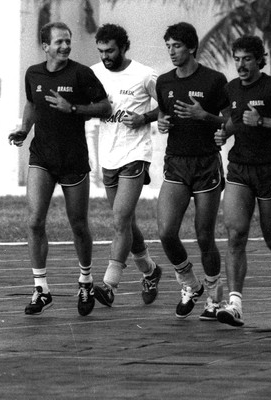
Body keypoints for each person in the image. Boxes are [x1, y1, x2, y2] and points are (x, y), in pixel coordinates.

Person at [8, 21, 111, 317]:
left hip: (73, 160)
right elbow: (32, 103)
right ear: (45, 47)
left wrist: (74, 109)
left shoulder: (81, 73)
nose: (65, 46)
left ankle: (86, 281)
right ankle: (41, 289)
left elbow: (105, 107)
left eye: (68, 41)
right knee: (34, 221)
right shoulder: (34, 73)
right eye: (59, 42)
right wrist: (24, 129)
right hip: (42, 157)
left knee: (78, 224)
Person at [214, 36, 271, 327]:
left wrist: (263, 122)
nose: (240, 64)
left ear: (258, 60)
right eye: (237, 58)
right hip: (239, 169)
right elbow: (235, 119)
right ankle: (235, 303)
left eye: (246, 59)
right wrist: (224, 133)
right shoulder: (231, 88)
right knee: (235, 233)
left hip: (269, 170)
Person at [155, 22, 229, 320]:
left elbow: (228, 120)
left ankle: (213, 295)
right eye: (169, 46)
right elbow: (163, 111)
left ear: (191, 48)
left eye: (177, 46)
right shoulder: (164, 81)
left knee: (204, 235)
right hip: (176, 162)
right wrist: (161, 122)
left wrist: (204, 115)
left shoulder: (214, 80)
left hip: (206, 163)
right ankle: (189, 284)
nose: (172, 52)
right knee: (166, 232)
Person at [88, 23, 162, 308]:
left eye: (110, 51)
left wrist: (144, 118)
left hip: (135, 154)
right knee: (127, 222)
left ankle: (109, 284)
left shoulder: (144, 75)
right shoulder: (94, 73)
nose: (106, 56)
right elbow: (88, 105)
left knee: (119, 220)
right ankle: (150, 271)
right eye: (101, 51)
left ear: (123, 47)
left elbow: (166, 105)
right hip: (108, 156)